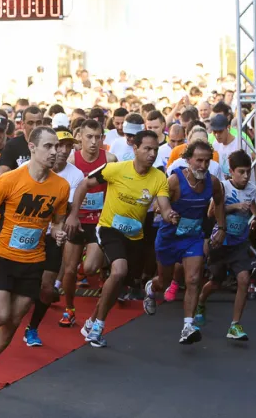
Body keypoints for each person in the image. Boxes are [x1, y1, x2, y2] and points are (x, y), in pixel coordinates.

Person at [0, 127, 69, 393]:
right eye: (48, 146)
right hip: (3, 257)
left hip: (34, 261)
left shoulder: (61, 186)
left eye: (56, 146)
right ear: (32, 149)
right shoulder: (10, 180)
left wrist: (58, 233)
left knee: (12, 322)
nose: (54, 151)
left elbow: (57, 222)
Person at [66, 130, 178, 347]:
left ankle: (90, 321)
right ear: (134, 149)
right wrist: (73, 214)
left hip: (135, 236)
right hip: (109, 228)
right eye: (147, 148)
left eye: (155, 149)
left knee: (118, 282)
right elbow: (83, 185)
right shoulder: (115, 168)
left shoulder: (159, 177)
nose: (152, 154)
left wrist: (169, 215)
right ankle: (98, 326)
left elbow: (164, 207)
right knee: (118, 271)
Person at [145, 141, 227, 345]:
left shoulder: (213, 182)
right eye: (199, 160)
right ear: (188, 160)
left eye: (207, 161)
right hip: (169, 238)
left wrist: (221, 228)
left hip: (192, 238)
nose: (203, 165)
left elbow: (219, 202)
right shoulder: (174, 181)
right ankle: (150, 289)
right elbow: (158, 204)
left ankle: (188, 326)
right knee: (162, 282)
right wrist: (167, 213)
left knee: (192, 279)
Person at [23, 127, 84, 346]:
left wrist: (58, 229)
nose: (59, 151)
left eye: (64, 146)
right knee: (19, 294)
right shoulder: (22, 171)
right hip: (24, 234)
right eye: (52, 145)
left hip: (49, 237)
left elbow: (63, 212)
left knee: (47, 288)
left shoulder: (72, 177)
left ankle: (33, 329)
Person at [194, 150, 256, 340]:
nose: (245, 176)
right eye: (241, 172)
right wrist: (235, 207)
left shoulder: (251, 188)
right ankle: (200, 302)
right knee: (216, 282)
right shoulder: (222, 187)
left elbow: (253, 207)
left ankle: (235, 325)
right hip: (220, 242)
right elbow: (210, 213)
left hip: (239, 243)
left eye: (248, 171)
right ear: (231, 171)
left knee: (244, 280)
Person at [59, 120, 116, 328]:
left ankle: (99, 263)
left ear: (103, 138)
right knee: (70, 270)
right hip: (76, 218)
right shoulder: (72, 160)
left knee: (89, 268)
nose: (93, 142)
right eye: (89, 137)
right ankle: (69, 308)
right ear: (80, 137)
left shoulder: (109, 159)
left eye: (98, 137)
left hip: (99, 220)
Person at [0, 105, 44, 174]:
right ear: (23, 124)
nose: (35, 127)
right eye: (30, 123)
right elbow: (2, 176)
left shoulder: (48, 145)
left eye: (38, 123)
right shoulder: (12, 146)